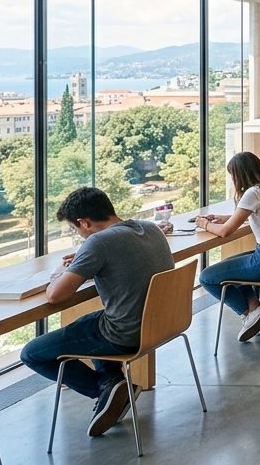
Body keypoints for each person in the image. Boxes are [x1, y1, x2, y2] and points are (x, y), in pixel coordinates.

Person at [21, 187, 175, 437]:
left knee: (31, 353)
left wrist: (61, 272)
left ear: (84, 222)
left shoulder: (99, 242)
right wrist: (85, 259)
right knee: (91, 323)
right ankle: (113, 385)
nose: (79, 235)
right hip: (162, 324)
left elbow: (55, 295)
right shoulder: (149, 228)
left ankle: (106, 387)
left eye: (75, 229)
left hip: (126, 334)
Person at [197, 152, 260, 343]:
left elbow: (226, 232)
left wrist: (204, 224)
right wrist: (224, 218)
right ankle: (254, 305)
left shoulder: (253, 193)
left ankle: (248, 313)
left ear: (240, 175)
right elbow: (258, 214)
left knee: (207, 277)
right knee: (229, 263)